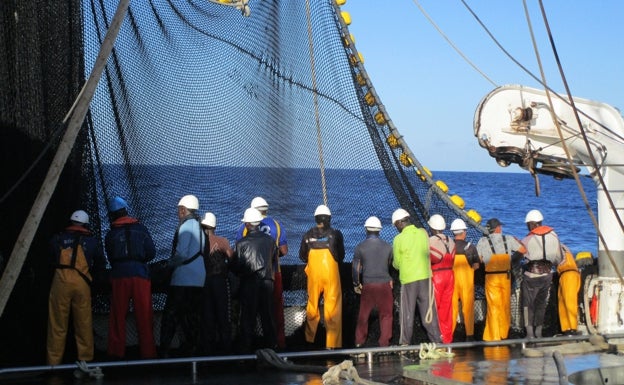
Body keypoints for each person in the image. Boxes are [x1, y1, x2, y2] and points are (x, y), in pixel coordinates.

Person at [47, 210, 105, 365]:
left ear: (71, 222)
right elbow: (100, 263)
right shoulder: (92, 241)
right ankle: (85, 359)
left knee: (57, 324)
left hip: (61, 282)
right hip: (82, 284)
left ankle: (53, 362)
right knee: (83, 323)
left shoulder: (57, 238)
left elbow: (50, 257)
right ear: (86, 224)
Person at [105, 196, 157, 359]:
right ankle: (148, 354)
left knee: (118, 316)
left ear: (113, 215)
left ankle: (115, 353)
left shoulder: (110, 234)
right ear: (126, 210)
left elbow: (110, 257)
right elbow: (151, 252)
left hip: (119, 275)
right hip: (140, 275)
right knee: (144, 315)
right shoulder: (141, 229)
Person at [236, 197, 288, 348]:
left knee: (248, 314)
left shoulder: (243, 229)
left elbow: (239, 253)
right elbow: (284, 250)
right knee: (274, 311)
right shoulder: (277, 225)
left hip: (249, 278)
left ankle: (247, 348)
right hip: (273, 274)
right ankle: (278, 344)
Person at [159, 195, 206, 357]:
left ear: (184, 210)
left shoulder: (186, 226)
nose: (178, 213)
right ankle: (194, 352)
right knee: (192, 317)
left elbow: (181, 254)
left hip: (183, 279)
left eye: (179, 210)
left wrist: (167, 265)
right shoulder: (200, 228)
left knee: (171, 315)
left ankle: (164, 352)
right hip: (199, 280)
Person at [391, 208, 442, 345]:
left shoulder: (398, 239)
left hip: (408, 280)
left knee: (407, 314)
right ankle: (438, 342)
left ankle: (405, 343)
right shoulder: (422, 234)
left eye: (396, 225)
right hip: (426, 278)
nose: (396, 228)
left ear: (400, 223)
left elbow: (396, 263)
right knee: (429, 313)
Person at [299, 204, 345, 349]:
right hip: (330, 273)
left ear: (316, 219)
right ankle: (332, 344)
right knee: (333, 308)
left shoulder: (307, 235)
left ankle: (309, 341)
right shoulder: (335, 234)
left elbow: (302, 256)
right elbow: (341, 255)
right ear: (329, 219)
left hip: (314, 274)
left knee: (312, 305)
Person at [233, 208, 278, 353]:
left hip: (249, 284)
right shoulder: (271, 241)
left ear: (247, 224)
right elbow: (274, 260)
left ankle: (246, 350)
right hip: (267, 283)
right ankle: (272, 349)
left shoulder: (241, 244)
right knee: (268, 317)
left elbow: (237, 266)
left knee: (247, 318)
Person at [476, 218, 525, 341]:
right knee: (505, 306)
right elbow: (523, 250)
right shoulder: (508, 239)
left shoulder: (482, 241)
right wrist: (511, 261)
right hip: (506, 277)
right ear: (498, 228)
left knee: (493, 307)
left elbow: (479, 260)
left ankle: (492, 336)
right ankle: (504, 335)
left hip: (491, 277)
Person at [521, 209, 564, 339]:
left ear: (532, 224)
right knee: (541, 304)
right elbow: (559, 259)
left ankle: (529, 334)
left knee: (528, 305)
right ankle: (539, 332)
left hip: (531, 276)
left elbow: (521, 256)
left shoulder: (528, 238)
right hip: (547, 276)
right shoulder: (554, 236)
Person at [352, 216, 393, 348]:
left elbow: (356, 268)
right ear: (379, 230)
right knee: (386, 315)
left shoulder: (360, 247)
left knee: (363, 315)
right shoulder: (388, 247)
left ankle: (359, 342)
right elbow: (389, 265)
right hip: (384, 285)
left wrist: (356, 283)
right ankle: (384, 343)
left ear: (366, 230)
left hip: (368, 285)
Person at [200, 212, 234, 354]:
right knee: (223, 316)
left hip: (203, 283)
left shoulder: (198, 242)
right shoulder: (223, 241)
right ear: (215, 226)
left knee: (207, 316)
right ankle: (226, 350)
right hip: (220, 282)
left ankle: (208, 350)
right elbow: (233, 259)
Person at [449, 218, 480, 342]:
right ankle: (470, 336)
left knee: (452, 309)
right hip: (467, 283)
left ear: (453, 233)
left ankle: (448, 336)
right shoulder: (470, 247)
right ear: (464, 233)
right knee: (468, 308)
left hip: (452, 282)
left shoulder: (449, 247)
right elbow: (476, 265)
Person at [428, 214, 456, 343]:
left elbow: (429, 258)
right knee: (447, 309)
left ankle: (436, 338)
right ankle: (447, 338)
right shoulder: (450, 240)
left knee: (435, 308)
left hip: (437, 276)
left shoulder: (431, 240)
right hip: (450, 276)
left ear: (432, 227)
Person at [557, 247, 580, 335]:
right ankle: (566, 328)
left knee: (569, 302)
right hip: (566, 275)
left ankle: (572, 328)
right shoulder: (563, 247)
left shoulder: (558, 248)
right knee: (562, 302)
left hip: (568, 275)